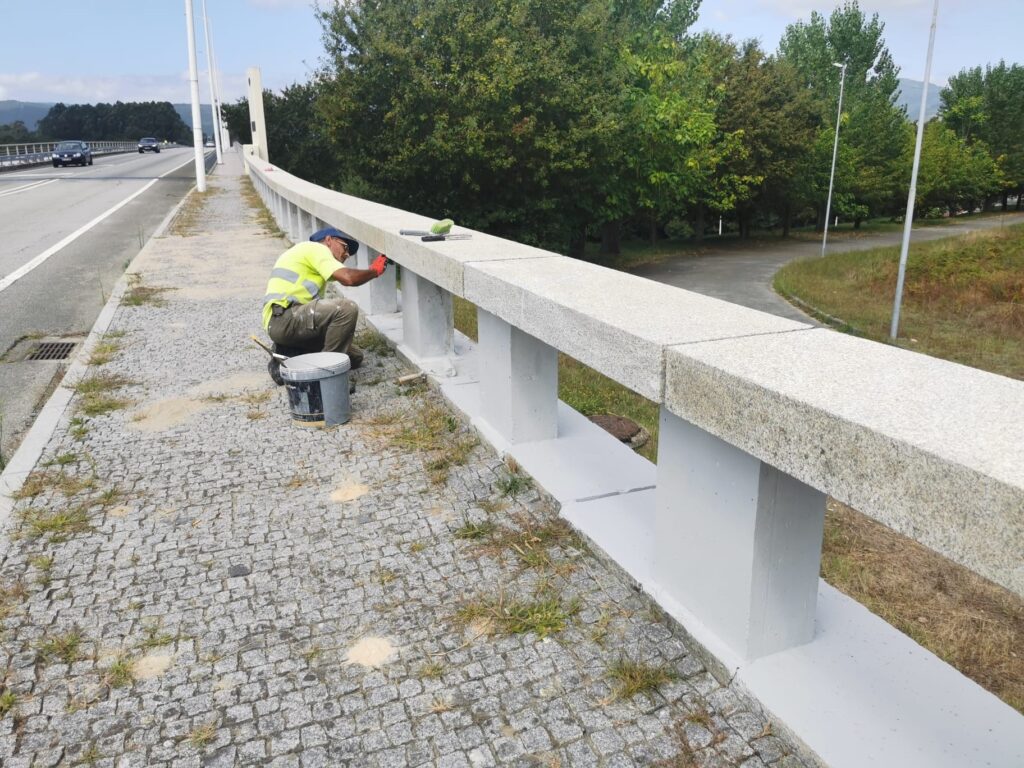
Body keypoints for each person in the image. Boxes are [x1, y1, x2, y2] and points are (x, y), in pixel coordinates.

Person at [262, 227, 388, 385]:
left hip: (284, 322)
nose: (347, 254)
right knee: (345, 308)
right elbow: (348, 278)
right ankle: (327, 379)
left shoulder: (308, 258)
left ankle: (289, 354)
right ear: (329, 240)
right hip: (285, 318)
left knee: (354, 358)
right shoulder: (315, 248)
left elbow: (347, 276)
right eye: (345, 247)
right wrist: (374, 271)